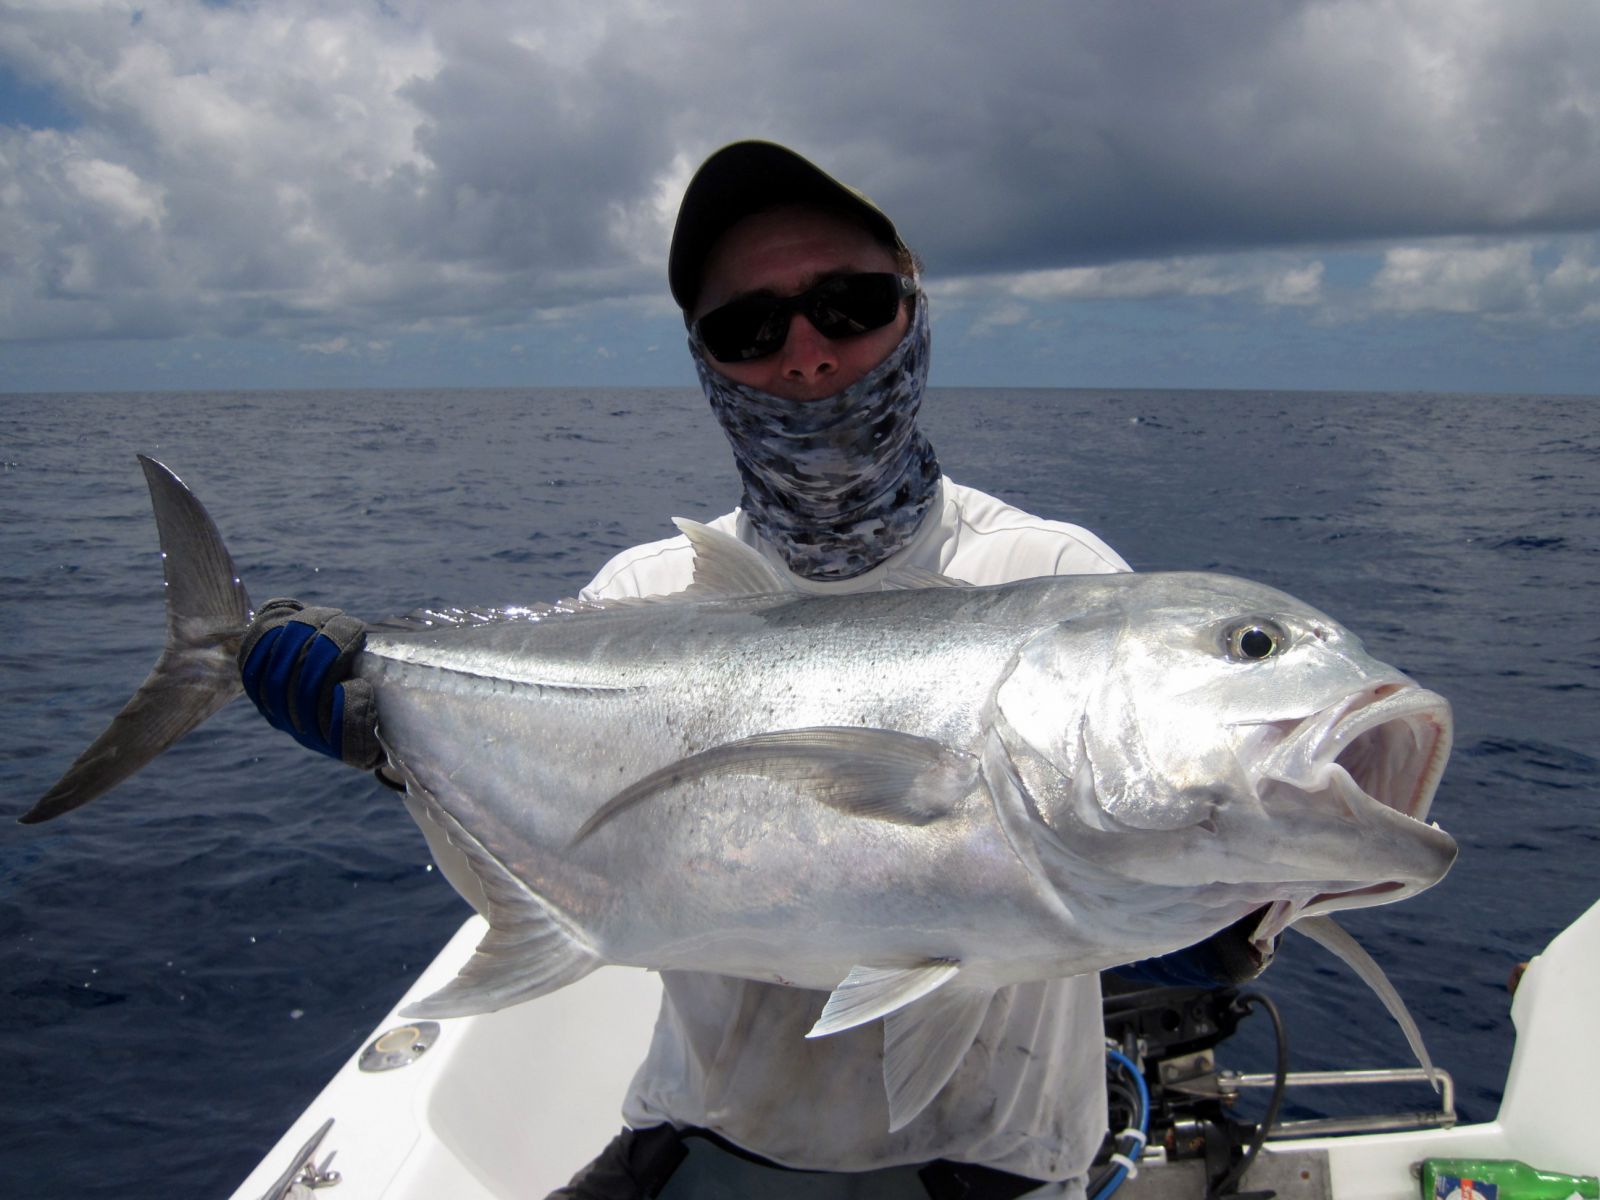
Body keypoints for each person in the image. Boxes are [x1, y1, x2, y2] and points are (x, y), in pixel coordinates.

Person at [241, 141, 1270, 1200]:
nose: (808, 357)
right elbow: (569, 849)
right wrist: (397, 740)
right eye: (748, 327)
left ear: (913, 309)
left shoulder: (1053, 580)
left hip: (991, 1170)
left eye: (849, 305)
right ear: (703, 359)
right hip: (699, 1147)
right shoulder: (642, 598)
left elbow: (1114, 843)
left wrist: (1213, 920)